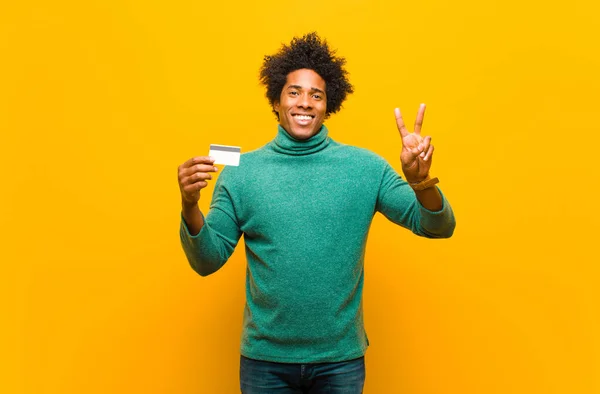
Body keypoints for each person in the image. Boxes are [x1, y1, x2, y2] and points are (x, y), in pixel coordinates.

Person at [177, 32, 456, 393]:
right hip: (265, 363)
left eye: (316, 95)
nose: (304, 102)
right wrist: (189, 205)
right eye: (294, 92)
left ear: (329, 106)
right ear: (276, 101)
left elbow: (438, 227)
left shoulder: (365, 168)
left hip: (339, 361)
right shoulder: (242, 172)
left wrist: (422, 183)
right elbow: (207, 259)